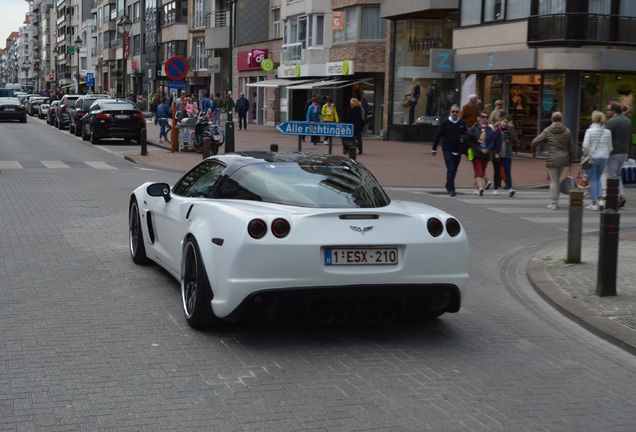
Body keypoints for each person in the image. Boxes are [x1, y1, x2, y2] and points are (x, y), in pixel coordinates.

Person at [531, 111, 576, 210]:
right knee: (557, 179)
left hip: (552, 157)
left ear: (552, 119)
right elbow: (571, 146)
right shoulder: (567, 131)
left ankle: (553, 202)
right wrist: (572, 159)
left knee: (554, 180)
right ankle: (556, 200)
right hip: (564, 158)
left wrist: (533, 151)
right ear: (561, 119)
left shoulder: (547, 130)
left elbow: (535, 141)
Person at [431, 105, 468, 197]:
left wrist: (464, 139)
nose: (455, 113)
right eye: (453, 112)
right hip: (447, 149)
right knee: (450, 169)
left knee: (454, 170)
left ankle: (448, 184)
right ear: (450, 112)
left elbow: (466, 135)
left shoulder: (462, 123)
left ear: (459, 113)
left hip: (458, 150)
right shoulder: (445, 123)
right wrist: (434, 148)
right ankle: (451, 189)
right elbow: (438, 135)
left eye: (456, 112)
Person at [582, 110, 612, 210]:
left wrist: (586, 153)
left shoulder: (589, 131)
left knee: (593, 179)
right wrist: (605, 153)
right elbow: (610, 147)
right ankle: (600, 201)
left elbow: (585, 146)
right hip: (604, 158)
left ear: (593, 119)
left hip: (593, 158)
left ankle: (594, 203)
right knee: (598, 179)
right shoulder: (607, 132)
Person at [605, 101, 633, 208]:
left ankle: (614, 198)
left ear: (614, 111)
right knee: (617, 175)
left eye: (608, 110)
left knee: (612, 176)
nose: (606, 112)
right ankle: (621, 195)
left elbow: (605, 137)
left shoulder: (612, 122)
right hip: (624, 152)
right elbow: (630, 138)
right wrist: (628, 153)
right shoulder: (628, 121)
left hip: (614, 152)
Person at [466, 112, 495, 196]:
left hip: (486, 153)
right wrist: (477, 148)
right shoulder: (474, 128)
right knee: (478, 170)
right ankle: (481, 188)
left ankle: (476, 187)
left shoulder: (489, 129)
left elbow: (492, 141)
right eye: (483, 117)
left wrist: (487, 149)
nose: (484, 118)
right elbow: (469, 140)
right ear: (479, 118)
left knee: (482, 171)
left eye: (486, 117)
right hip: (476, 152)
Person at [492, 116, 519, 197]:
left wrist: (511, 128)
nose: (505, 123)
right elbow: (492, 144)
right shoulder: (496, 131)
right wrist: (495, 153)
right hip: (497, 155)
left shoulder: (508, 131)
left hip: (507, 155)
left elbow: (514, 139)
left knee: (507, 171)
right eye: (503, 122)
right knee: (497, 172)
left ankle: (510, 189)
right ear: (500, 122)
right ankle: (496, 188)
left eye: (506, 122)